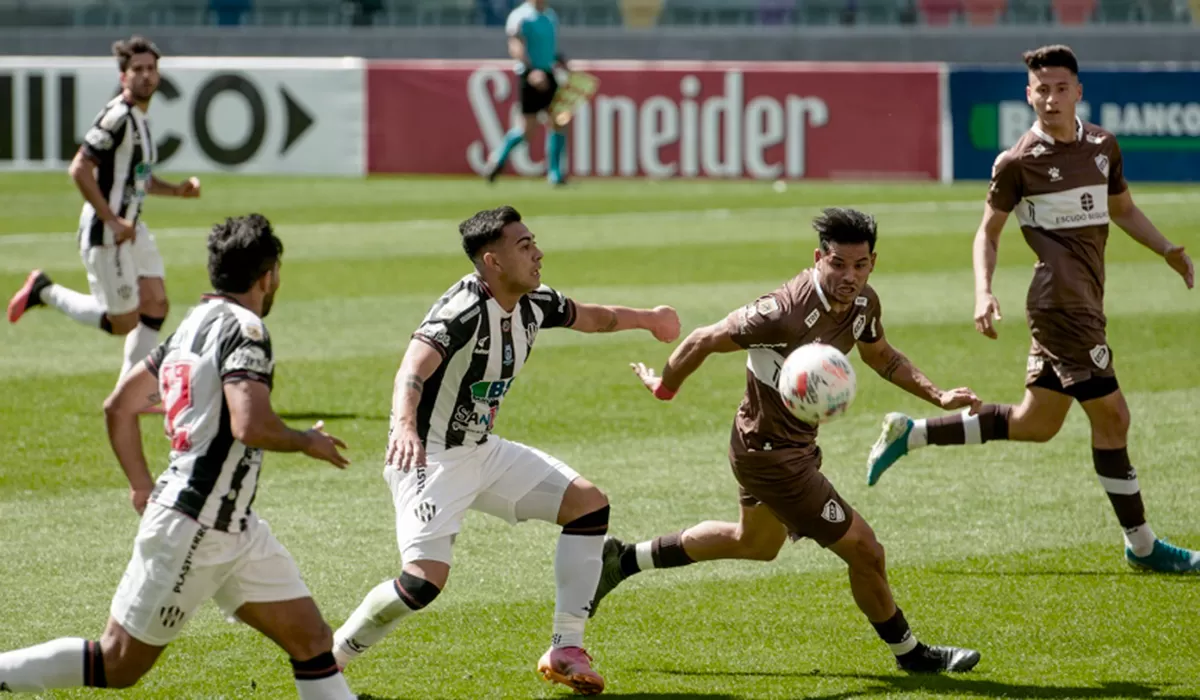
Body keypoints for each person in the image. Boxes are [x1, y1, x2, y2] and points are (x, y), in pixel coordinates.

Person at [591, 208, 982, 674]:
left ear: (872, 263)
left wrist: (936, 393)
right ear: (819, 258)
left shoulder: (862, 304)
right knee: (865, 550)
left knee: (755, 542)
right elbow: (701, 339)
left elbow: (881, 355)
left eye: (859, 266)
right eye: (837, 264)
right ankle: (912, 655)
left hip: (773, 445)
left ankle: (622, 559)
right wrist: (665, 388)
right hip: (773, 458)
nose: (848, 276)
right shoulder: (782, 313)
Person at [864, 45, 1198, 573]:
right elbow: (988, 233)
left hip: (1087, 301)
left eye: (1060, 88)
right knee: (1113, 417)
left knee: (1036, 422)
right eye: (1041, 89)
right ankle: (1144, 546)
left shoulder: (1102, 147)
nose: (1050, 98)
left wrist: (1166, 250)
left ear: (1078, 92)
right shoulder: (1018, 161)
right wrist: (983, 290)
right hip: (1060, 308)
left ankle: (914, 432)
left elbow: (1124, 209)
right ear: (1028, 95)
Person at [0, 214, 357, 699]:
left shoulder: (192, 324)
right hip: (197, 525)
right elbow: (248, 423)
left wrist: (140, 484)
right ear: (267, 274)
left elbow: (120, 406)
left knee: (313, 639)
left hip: (234, 525)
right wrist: (305, 441)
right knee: (118, 662)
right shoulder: (247, 330)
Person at [331, 205, 680, 695]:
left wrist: (649, 319)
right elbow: (412, 367)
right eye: (524, 246)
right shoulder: (463, 310)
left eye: (534, 241)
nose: (538, 253)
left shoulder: (535, 301)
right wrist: (405, 428)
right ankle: (331, 659)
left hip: (481, 450)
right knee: (422, 584)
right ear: (492, 261)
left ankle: (565, 648)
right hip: (429, 457)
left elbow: (594, 318)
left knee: (587, 505)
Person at [6, 35, 201, 392]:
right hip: (108, 232)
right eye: (137, 69)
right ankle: (44, 290)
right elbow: (79, 168)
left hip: (132, 228)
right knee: (122, 322)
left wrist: (176, 191)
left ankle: (132, 391)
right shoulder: (117, 117)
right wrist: (111, 219)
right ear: (124, 76)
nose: (146, 75)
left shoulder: (141, 120)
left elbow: (136, 179)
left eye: (151, 69)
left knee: (156, 302)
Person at [483, 0, 571, 186]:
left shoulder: (549, 16)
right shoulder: (521, 16)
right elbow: (516, 46)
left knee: (558, 121)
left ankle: (555, 173)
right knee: (527, 130)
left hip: (548, 72)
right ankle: (498, 158)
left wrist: (559, 59)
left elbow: (547, 47)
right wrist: (531, 71)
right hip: (530, 75)